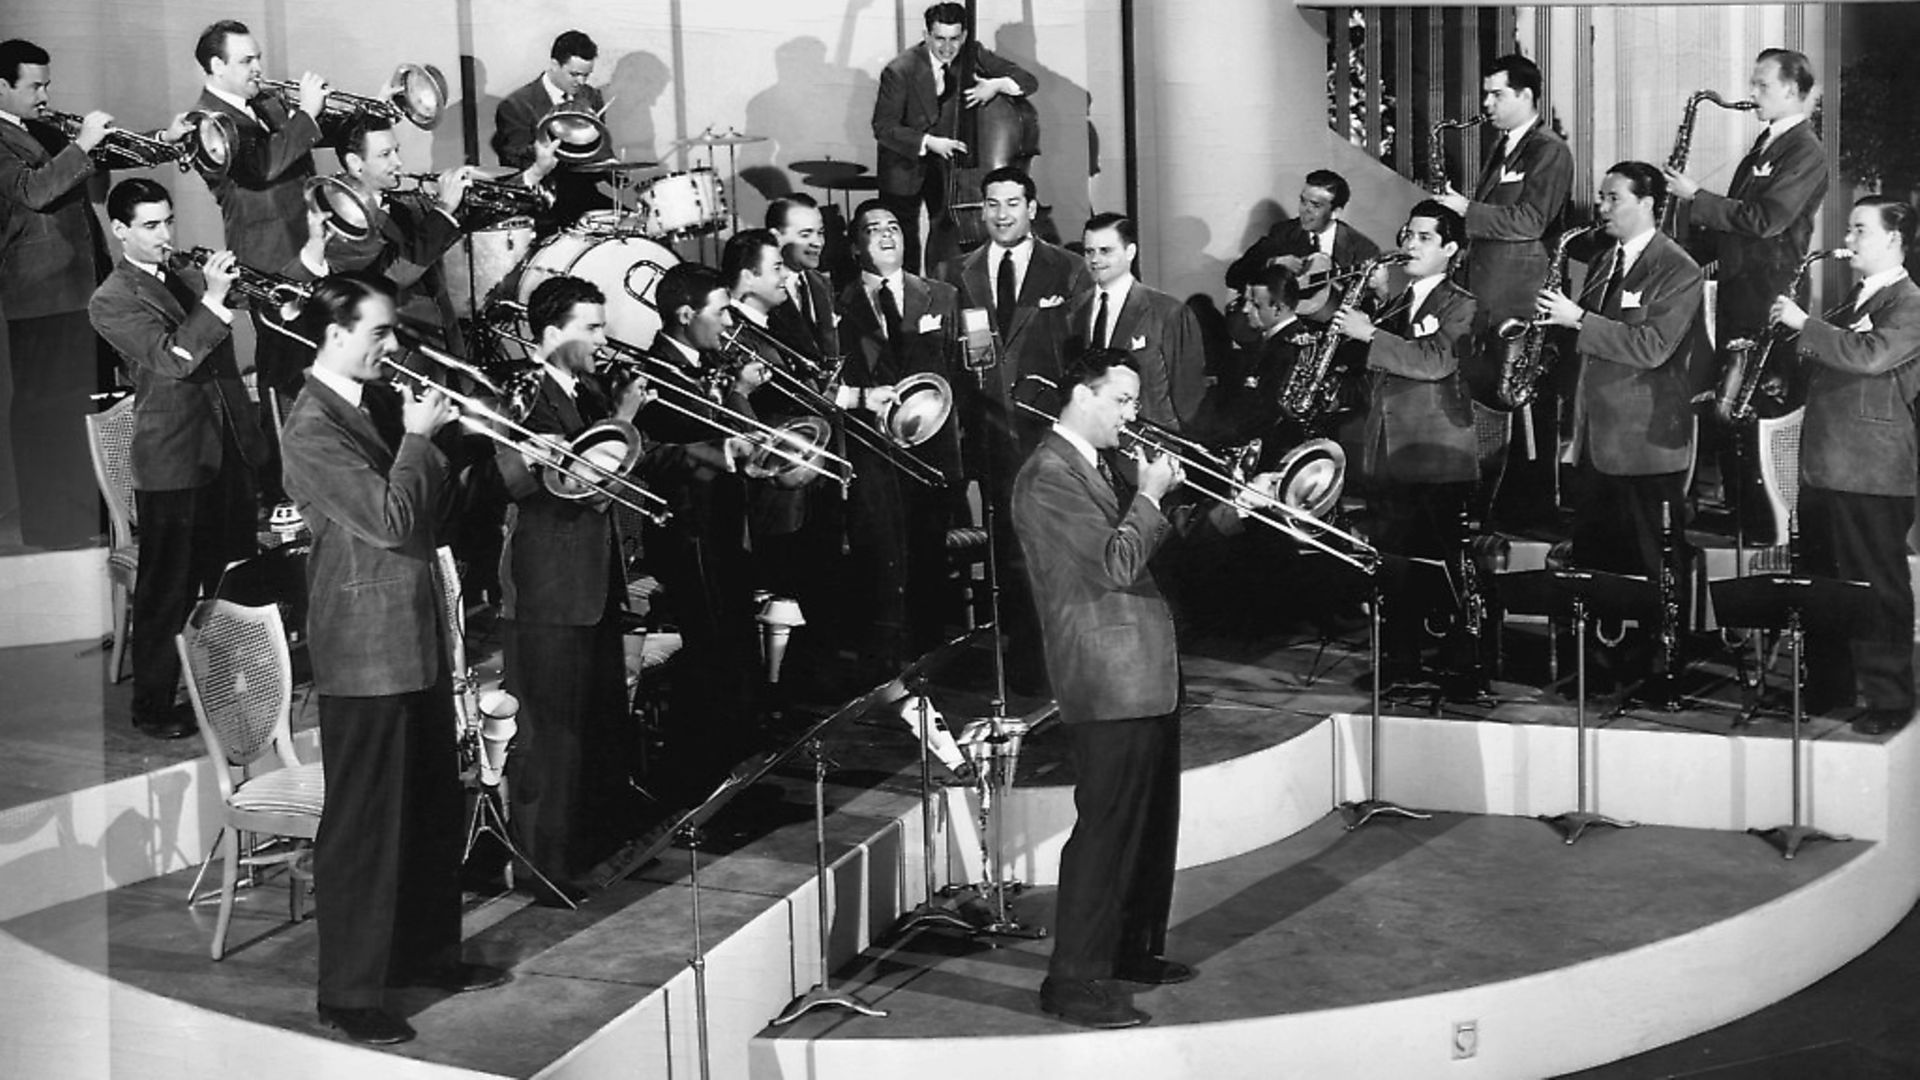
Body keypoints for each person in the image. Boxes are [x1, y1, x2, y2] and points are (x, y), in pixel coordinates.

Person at [279, 272, 509, 1045]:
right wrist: (418, 439)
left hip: (412, 635)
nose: (393, 345)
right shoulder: (311, 426)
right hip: (365, 651)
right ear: (334, 333)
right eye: (378, 331)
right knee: (366, 827)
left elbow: (430, 519)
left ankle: (423, 955)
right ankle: (346, 992)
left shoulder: (370, 404)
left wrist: (450, 441)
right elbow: (387, 519)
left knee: (428, 813)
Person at [1012, 348, 1197, 1030]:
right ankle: (1073, 980)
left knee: (1148, 827)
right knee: (1106, 830)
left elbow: (1142, 547)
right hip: (1106, 677)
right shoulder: (1047, 477)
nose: (1132, 414)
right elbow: (1118, 564)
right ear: (1081, 397)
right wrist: (1149, 496)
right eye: (1121, 400)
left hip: (1144, 673)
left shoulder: (1093, 467)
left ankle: (1129, 952)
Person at [495, 275, 693, 900]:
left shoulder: (582, 390)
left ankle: (597, 847)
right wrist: (624, 418)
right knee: (551, 735)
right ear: (550, 336)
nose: (603, 340)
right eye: (592, 328)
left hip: (594, 581)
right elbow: (531, 483)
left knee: (598, 723)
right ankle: (545, 867)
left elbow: (615, 463)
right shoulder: (522, 394)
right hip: (550, 587)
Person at [88, 177, 266, 738]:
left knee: (230, 581)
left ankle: (228, 690)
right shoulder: (111, 299)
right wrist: (212, 300)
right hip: (174, 459)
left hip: (229, 445)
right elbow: (175, 359)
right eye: (150, 225)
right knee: (167, 591)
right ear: (119, 231)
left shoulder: (188, 273)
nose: (165, 234)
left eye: (168, 221)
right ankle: (154, 706)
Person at [1535, 162, 1703, 698]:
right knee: (1599, 560)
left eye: (1612, 198)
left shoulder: (1678, 268)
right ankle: (1605, 666)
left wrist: (1578, 321)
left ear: (1648, 203)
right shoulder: (1607, 258)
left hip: (1646, 441)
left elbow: (1653, 348)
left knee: (1653, 564)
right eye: (1601, 197)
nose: (1601, 208)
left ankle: (1661, 672)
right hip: (1597, 438)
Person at [1769, 196, 1920, 735]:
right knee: (1824, 583)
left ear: (1894, 240)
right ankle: (1829, 689)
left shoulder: (1910, 303)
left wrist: (1804, 324)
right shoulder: (1852, 299)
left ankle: (1889, 697)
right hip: (1826, 466)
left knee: (1877, 587)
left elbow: (1871, 355)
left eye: (1860, 230)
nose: (1849, 240)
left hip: (1873, 472)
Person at [936, 166, 1090, 693]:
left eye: (1013, 203)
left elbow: (1081, 355)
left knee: (1055, 546)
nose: (1002, 214)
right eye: (993, 204)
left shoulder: (1067, 268)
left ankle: (1059, 655)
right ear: (981, 210)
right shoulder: (956, 271)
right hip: (988, 433)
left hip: (1045, 434)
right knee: (1007, 549)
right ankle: (1021, 659)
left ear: (1032, 206)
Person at [1666, 48, 1828, 543]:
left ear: (1792, 91)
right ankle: (1740, 515)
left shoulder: (1805, 151)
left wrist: (1697, 198)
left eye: (1761, 85)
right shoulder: (1769, 142)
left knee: (1760, 403)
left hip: (1771, 295)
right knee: (1732, 403)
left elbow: (1766, 220)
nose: (1751, 93)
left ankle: (1765, 527)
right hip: (1744, 292)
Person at [1330, 200, 1479, 685]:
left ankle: (1464, 662)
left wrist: (1368, 332)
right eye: (1407, 235)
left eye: (1424, 238)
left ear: (1451, 249)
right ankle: (1401, 659)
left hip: (1437, 454)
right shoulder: (1399, 301)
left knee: (1448, 565)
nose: (1409, 245)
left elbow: (1436, 361)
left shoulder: (1462, 303)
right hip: (1389, 451)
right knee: (1393, 562)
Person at [634, 263, 765, 798]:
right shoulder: (655, 372)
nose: (727, 323)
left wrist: (735, 390)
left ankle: (736, 774)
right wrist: (726, 438)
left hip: (722, 527)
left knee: (731, 648)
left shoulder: (705, 361)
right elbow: (660, 455)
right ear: (686, 315)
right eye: (720, 312)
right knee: (710, 655)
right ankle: (709, 786)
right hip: (688, 533)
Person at [837, 200, 964, 671]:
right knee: (879, 564)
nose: (888, 235)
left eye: (894, 226)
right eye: (873, 230)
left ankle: (933, 663)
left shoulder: (943, 295)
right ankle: (886, 670)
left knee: (930, 562)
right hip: (872, 457)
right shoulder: (839, 302)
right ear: (855, 246)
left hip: (932, 456)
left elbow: (963, 374)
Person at [0, 39, 113, 548]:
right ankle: (53, 524)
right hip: (40, 294)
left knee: (82, 408)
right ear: (2, 86)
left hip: (77, 290)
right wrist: (83, 146)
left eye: (47, 83)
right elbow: (33, 191)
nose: (46, 94)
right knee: (47, 411)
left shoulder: (36, 129)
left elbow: (85, 186)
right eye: (35, 85)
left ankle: (89, 514)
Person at [872, 2, 1036, 273]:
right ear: (926, 35)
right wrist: (929, 142)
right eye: (939, 39)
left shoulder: (973, 53)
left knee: (946, 235)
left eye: (954, 39)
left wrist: (996, 85)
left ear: (963, 35)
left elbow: (1028, 81)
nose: (947, 48)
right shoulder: (899, 70)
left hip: (951, 170)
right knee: (904, 242)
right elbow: (884, 127)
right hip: (906, 167)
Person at [318, 112, 475, 357]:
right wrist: (444, 208)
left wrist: (533, 175)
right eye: (385, 155)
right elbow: (394, 274)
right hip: (400, 355)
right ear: (355, 162)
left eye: (396, 151)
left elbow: (457, 224)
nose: (398, 162)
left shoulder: (402, 205)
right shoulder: (339, 220)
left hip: (442, 346)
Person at [1068, 212, 1207, 432]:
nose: (1095, 260)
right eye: (1089, 251)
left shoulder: (1168, 312)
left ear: (1130, 251)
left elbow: (1189, 398)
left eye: (1105, 251)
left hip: (1146, 447)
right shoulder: (1073, 310)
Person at [1224, 169, 1382, 321]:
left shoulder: (1363, 249)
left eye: (1315, 205)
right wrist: (1273, 263)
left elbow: (1370, 309)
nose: (1304, 210)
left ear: (1336, 212)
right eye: (1303, 201)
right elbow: (1234, 276)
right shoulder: (1283, 233)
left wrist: (1379, 291)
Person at [493, 29, 609, 229]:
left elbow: (597, 152)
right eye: (574, 74)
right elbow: (512, 163)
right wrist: (546, 147)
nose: (581, 82)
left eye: (586, 75)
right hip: (539, 204)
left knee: (633, 230)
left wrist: (612, 170)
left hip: (582, 196)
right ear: (554, 65)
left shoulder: (591, 97)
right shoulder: (516, 105)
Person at [766, 193, 839, 364]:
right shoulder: (762, 290)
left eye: (820, 233)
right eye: (806, 235)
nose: (818, 243)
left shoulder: (822, 284)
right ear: (776, 237)